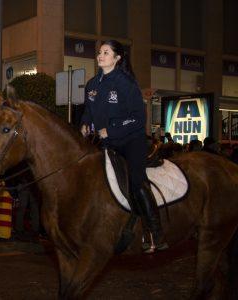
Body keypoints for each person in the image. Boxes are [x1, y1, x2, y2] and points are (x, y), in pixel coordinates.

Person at [80, 39, 167, 253]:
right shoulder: (92, 84)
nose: (101, 55)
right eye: (100, 52)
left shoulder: (126, 83)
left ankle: (154, 232)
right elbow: (89, 112)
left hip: (131, 141)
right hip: (106, 143)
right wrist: (84, 123)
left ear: (117, 58)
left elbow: (138, 118)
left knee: (136, 182)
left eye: (106, 52)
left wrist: (112, 129)